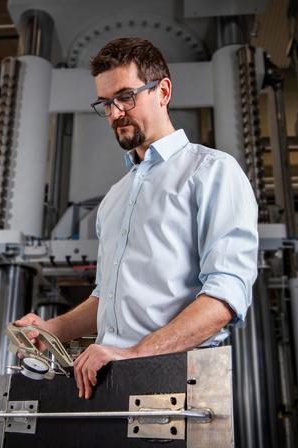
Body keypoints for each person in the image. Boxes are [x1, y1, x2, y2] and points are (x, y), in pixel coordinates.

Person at [15, 37, 258, 399]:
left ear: (162, 91)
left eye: (125, 97)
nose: (114, 114)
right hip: (111, 379)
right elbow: (107, 297)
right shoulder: (115, 198)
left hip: (180, 381)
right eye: (106, 103)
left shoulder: (212, 172)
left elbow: (224, 298)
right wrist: (51, 330)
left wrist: (133, 354)